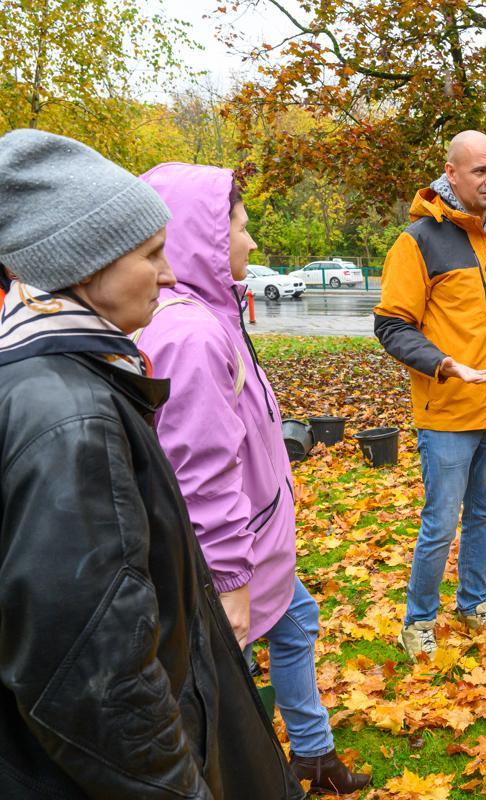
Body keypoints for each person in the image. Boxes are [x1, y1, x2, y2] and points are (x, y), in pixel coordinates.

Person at [0, 130, 302, 799]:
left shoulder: (73, 378)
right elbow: (92, 680)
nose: (170, 276)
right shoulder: (68, 421)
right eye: (151, 255)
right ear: (85, 266)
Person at [136, 163, 369, 794]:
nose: (252, 242)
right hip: (229, 560)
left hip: (258, 539)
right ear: (202, 238)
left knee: (296, 622)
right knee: (222, 691)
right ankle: (252, 776)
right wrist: (231, 581)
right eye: (241, 226)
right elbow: (201, 471)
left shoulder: (211, 313)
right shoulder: (189, 333)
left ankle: (311, 756)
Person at [374, 130, 486, 657]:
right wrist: (443, 365)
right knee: (441, 523)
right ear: (451, 173)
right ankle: (418, 620)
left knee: (485, 515)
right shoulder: (419, 240)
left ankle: (472, 604)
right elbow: (391, 326)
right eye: (480, 172)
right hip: (446, 410)